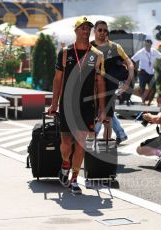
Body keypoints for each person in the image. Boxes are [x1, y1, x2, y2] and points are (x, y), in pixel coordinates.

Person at [47, 16, 106, 194]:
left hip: (87, 106)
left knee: (81, 143)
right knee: (66, 143)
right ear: (76, 30)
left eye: (88, 28)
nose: (86, 31)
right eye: (82, 28)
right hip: (67, 104)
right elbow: (57, 80)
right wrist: (53, 104)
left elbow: (101, 83)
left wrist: (102, 109)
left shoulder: (97, 55)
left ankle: (74, 179)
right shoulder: (65, 53)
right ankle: (65, 163)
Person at [91, 20, 134, 143]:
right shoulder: (89, 47)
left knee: (107, 119)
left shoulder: (115, 47)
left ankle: (106, 150)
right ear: (94, 31)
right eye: (100, 30)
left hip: (108, 88)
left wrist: (127, 82)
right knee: (93, 118)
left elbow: (129, 64)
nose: (103, 32)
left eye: (105, 30)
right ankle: (119, 134)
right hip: (91, 89)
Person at [131, 35, 161, 105]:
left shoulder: (154, 51)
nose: (148, 43)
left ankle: (149, 102)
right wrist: (136, 70)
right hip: (143, 73)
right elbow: (132, 60)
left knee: (154, 89)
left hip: (151, 73)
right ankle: (143, 102)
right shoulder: (141, 52)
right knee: (142, 88)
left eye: (149, 42)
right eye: (147, 42)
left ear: (151, 43)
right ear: (145, 43)